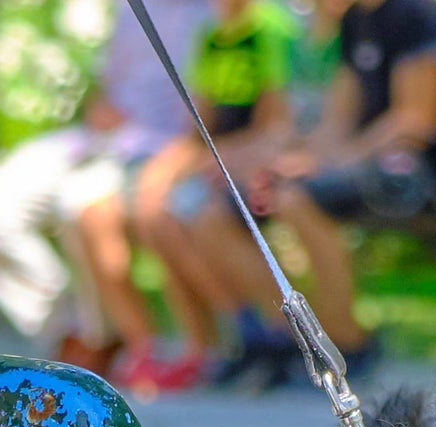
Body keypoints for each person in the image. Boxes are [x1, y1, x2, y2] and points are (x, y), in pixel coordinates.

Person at [197, 0, 436, 381]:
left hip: (418, 171)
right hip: (361, 161)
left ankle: (350, 341)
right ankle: (285, 341)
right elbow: (337, 120)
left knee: (294, 199)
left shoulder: (417, 14)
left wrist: (332, 162)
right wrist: (294, 160)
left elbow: (415, 121)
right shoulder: (356, 20)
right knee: (224, 208)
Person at [0, 0, 208, 374]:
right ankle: (70, 329)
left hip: (158, 151)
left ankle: (103, 343)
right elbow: (109, 85)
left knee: (81, 202)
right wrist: (100, 109)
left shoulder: (218, 12)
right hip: (95, 140)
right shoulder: (131, 8)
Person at [77, 0, 301, 396]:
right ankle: (223, 340)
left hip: (257, 161)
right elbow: (197, 125)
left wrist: (219, 160)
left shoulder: (270, 29)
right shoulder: (213, 34)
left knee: (202, 217)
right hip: (216, 158)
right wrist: (164, 173)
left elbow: (279, 125)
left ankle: (276, 333)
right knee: (153, 212)